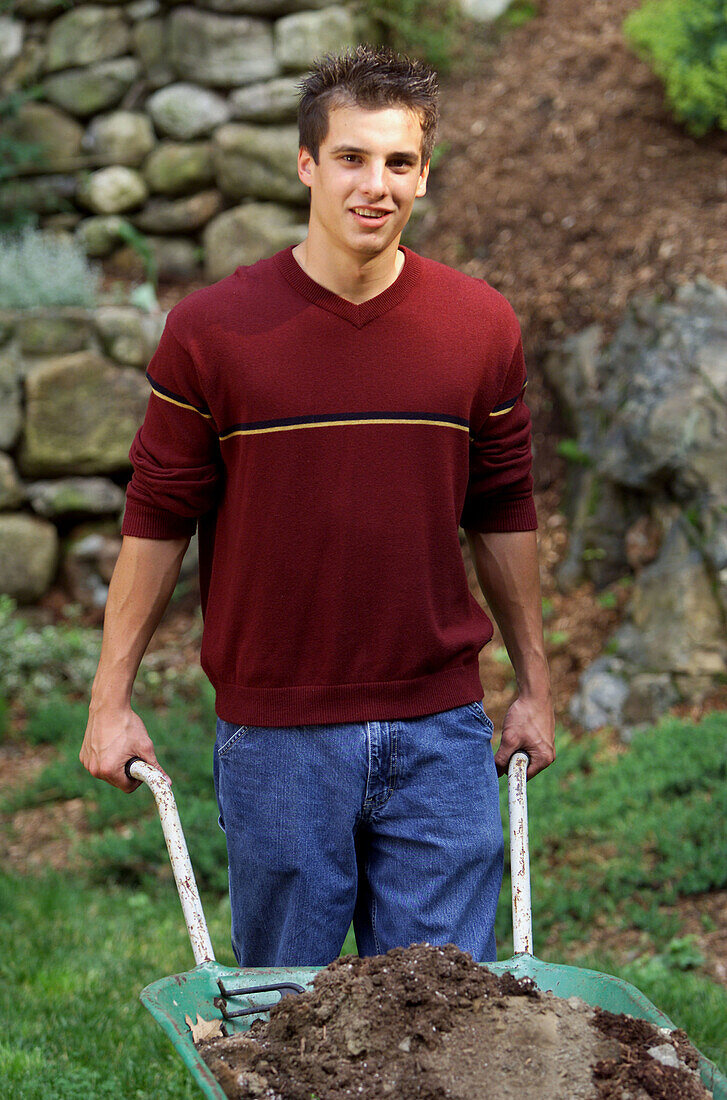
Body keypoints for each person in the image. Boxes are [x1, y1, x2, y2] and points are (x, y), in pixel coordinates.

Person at [80, 45, 555, 968]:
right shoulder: (213, 331)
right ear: (306, 164)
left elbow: (503, 504)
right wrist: (109, 699)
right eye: (351, 158)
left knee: (447, 1027)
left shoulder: (478, 326)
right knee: (286, 1032)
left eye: (398, 163)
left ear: (422, 173)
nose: (374, 185)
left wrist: (532, 685)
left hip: (441, 735)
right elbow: (159, 516)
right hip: (278, 740)